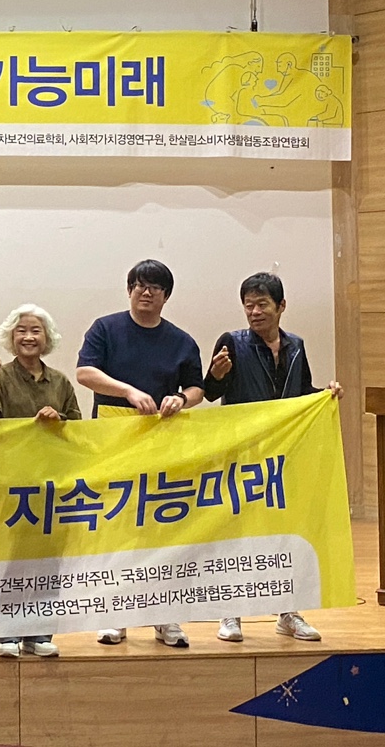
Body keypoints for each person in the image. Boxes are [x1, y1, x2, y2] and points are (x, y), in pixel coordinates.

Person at [205, 272, 344, 645]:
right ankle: (230, 612)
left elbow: (302, 392)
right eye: (248, 305)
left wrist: (326, 393)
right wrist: (215, 376)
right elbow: (212, 391)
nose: (254, 311)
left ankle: (288, 613)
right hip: (243, 455)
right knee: (237, 533)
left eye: (262, 304)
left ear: (281, 306)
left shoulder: (296, 345)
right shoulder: (232, 342)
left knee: (285, 533)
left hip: (284, 458)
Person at [76, 258, 203, 650]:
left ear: (166, 296)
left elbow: (197, 388)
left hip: (162, 444)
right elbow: (84, 373)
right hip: (112, 441)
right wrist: (128, 391)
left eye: (155, 287)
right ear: (129, 290)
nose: (146, 292)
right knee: (117, 525)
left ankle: (165, 616)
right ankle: (115, 614)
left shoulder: (182, 341)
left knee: (162, 529)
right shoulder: (105, 328)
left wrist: (181, 399)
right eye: (139, 285)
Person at [0, 303, 80, 659]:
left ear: (47, 338)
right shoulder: (0, 375)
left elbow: (79, 431)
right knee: (14, 557)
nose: (28, 337)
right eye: (21, 331)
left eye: (36, 330)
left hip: (53, 483)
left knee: (48, 559)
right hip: (12, 480)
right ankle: (7, 633)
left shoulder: (61, 382)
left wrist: (59, 419)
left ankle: (39, 633)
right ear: (11, 337)